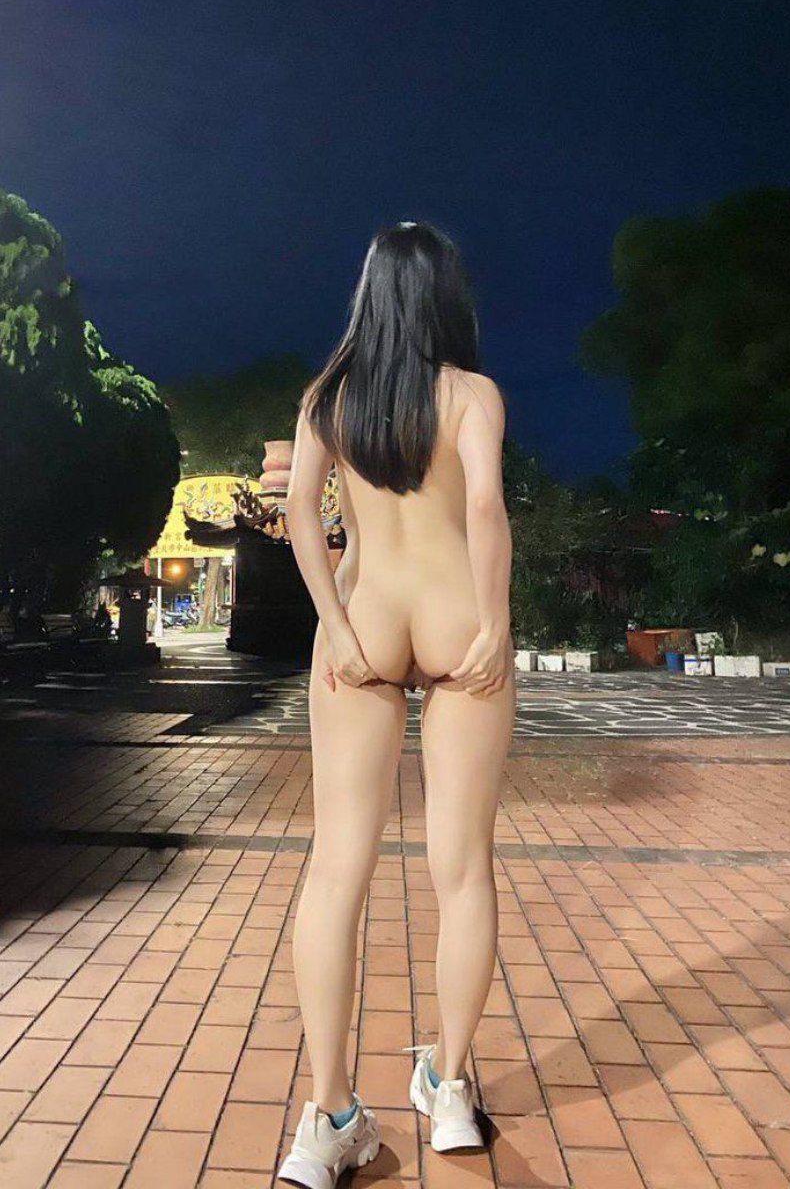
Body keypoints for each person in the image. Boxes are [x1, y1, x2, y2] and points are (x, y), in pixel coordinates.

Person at [278, 222, 515, 1189]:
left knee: (337, 870)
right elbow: (485, 507)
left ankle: (330, 1116)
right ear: (446, 294)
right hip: (457, 621)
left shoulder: (328, 397)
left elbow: (300, 511)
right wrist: (496, 621)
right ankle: (448, 1088)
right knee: (463, 872)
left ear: (369, 293)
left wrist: (333, 624)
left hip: (365, 624)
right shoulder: (471, 394)